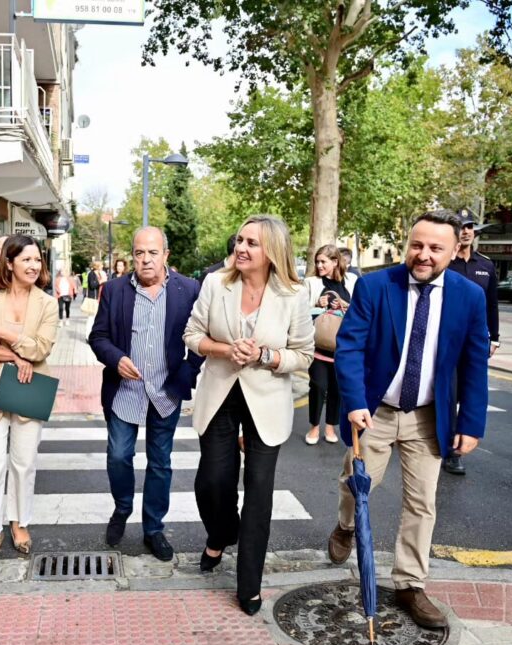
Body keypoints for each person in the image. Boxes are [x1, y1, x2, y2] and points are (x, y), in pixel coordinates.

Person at [327, 209, 489, 629]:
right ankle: (345, 526)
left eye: (436, 248)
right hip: (375, 411)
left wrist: (471, 423)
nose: (424, 254)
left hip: (426, 416)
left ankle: (409, 584)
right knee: (357, 485)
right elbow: (349, 347)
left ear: (455, 251)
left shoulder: (469, 297)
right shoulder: (376, 286)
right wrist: (355, 400)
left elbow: (474, 365)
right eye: (417, 245)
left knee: (422, 503)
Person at [184, 214, 314, 616]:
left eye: (251, 243)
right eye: (239, 240)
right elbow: (191, 334)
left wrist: (265, 355)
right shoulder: (215, 284)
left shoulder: (293, 293)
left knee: (259, 493)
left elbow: (303, 355)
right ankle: (222, 532)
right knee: (212, 482)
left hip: (267, 400)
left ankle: (249, 583)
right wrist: (226, 350)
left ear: (271, 250)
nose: (241, 248)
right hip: (220, 392)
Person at [88, 226, 204, 562]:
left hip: (165, 392)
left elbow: (200, 337)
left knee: (160, 464)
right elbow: (98, 337)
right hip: (125, 391)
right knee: (119, 456)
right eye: (139, 253)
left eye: (153, 253)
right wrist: (117, 358)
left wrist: (188, 373)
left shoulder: (188, 290)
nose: (145, 260)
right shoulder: (114, 290)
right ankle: (122, 507)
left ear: (166, 255)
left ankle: (153, 528)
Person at [0, 236, 58, 566]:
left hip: (30, 388)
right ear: (9, 263)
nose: (34, 266)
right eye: (26, 260)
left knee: (23, 462)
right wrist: (15, 356)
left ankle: (19, 522)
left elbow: (41, 349)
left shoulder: (47, 303)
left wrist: (0, 333)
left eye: (37, 260)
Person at [445, 208, 500, 476]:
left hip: (474, 342)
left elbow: (492, 305)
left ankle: (455, 442)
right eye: (461, 226)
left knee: (467, 392)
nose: (466, 231)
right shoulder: (445, 263)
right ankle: (449, 450)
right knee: (449, 393)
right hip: (446, 341)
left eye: (470, 226)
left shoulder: (486, 265)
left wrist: (495, 338)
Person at [303, 245, 356, 446]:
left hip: (343, 347)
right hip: (318, 345)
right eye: (317, 261)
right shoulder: (311, 283)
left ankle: (330, 426)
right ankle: (314, 426)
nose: (319, 265)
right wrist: (318, 304)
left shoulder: (352, 282)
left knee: (337, 389)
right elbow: (301, 312)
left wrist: (344, 304)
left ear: (335, 262)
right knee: (317, 386)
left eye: (323, 261)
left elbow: (360, 310)